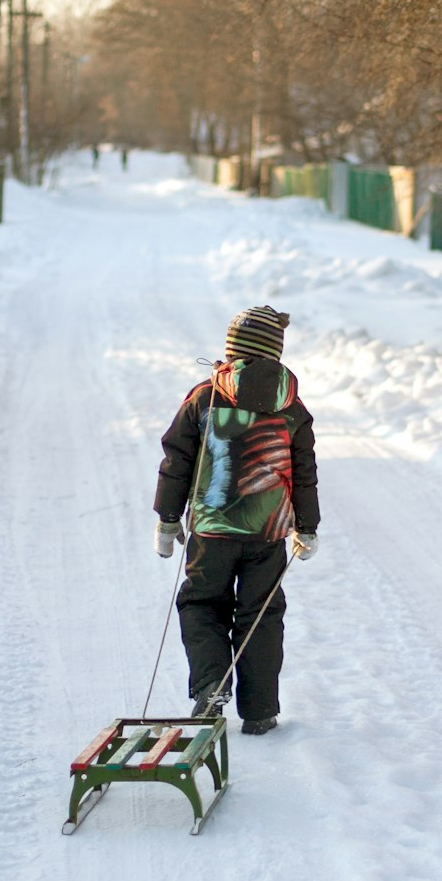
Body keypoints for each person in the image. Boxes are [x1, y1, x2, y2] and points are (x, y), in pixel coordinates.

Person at [153, 305, 320, 734]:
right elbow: (303, 470)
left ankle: (211, 685)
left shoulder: (203, 397)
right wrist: (307, 526)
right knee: (261, 615)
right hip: (267, 534)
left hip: (212, 531)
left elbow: (178, 460)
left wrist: (168, 518)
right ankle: (260, 711)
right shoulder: (292, 407)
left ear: (232, 351)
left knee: (201, 603)